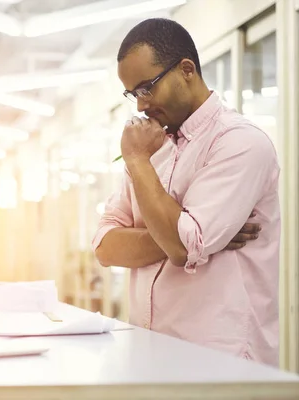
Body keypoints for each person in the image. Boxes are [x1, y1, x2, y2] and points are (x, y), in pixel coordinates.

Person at [93, 18, 280, 367]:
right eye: (132, 93)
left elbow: (181, 247)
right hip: (150, 356)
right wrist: (183, 234)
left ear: (187, 69)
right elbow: (105, 246)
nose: (140, 105)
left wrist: (137, 161)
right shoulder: (152, 149)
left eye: (146, 88)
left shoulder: (240, 143)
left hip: (222, 367)